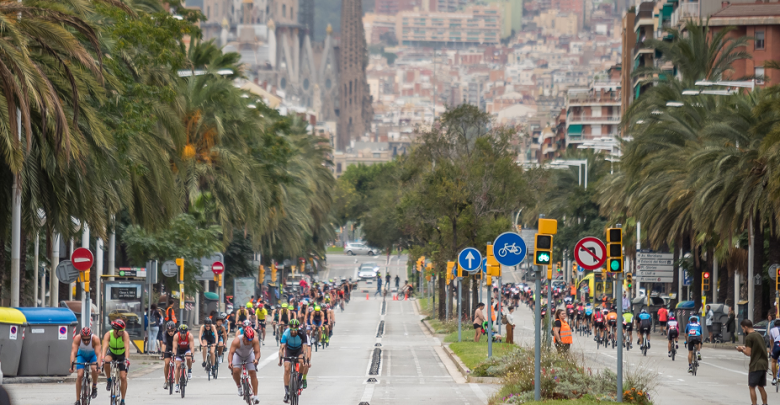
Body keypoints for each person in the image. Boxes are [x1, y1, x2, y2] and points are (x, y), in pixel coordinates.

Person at [737, 319, 769, 405]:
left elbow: (748, 352)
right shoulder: (759, 335)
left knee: (752, 387)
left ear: (746, 327)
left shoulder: (749, 337)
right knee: (761, 386)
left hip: (756, 365)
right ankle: (765, 403)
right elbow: (755, 349)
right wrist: (745, 348)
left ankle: (754, 404)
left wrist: (741, 350)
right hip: (764, 364)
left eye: (743, 329)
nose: (743, 331)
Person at [278, 319, 311, 402]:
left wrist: (306, 359)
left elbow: (305, 348)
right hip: (289, 350)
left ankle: (299, 378)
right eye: (292, 330)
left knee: (302, 362)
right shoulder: (286, 333)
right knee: (287, 369)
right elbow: (282, 347)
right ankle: (286, 392)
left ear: (297, 329)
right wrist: (280, 359)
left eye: (295, 330)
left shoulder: (302, 333)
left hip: (298, 350)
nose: (293, 332)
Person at [229, 325, 261, 404]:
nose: (249, 342)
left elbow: (257, 352)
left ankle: (255, 395)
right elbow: (231, 353)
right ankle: (239, 386)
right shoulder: (237, 341)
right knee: (236, 370)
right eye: (247, 340)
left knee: (253, 373)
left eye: (251, 340)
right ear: (244, 337)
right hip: (238, 355)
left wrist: (256, 359)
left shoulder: (254, 340)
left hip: (249, 355)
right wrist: (230, 362)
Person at [101, 320, 130, 405]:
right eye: (121, 330)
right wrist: (102, 358)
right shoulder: (108, 334)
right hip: (112, 352)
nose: (123, 332)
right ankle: (109, 379)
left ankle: (123, 400)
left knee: (123, 377)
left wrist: (127, 359)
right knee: (106, 361)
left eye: (124, 330)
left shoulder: (125, 335)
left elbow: (127, 347)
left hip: (122, 354)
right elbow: (105, 347)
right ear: (115, 330)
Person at [70, 328, 101, 405]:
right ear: (81, 337)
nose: (86, 341)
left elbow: (99, 354)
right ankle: (77, 400)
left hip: (92, 356)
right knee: (80, 375)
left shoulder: (95, 339)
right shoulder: (77, 338)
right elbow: (73, 353)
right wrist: (72, 366)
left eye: (88, 339)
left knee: (94, 368)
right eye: (84, 340)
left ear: (90, 336)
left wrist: (99, 367)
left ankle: (94, 386)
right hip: (82, 356)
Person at [172, 324, 195, 392]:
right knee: (178, 366)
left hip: (187, 349)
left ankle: (189, 370)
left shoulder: (190, 336)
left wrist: (192, 356)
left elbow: (192, 347)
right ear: (179, 332)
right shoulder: (176, 336)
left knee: (188, 358)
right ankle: (176, 385)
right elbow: (175, 347)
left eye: (185, 332)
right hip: (179, 350)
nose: (183, 334)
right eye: (182, 332)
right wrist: (174, 356)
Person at [160, 321, 177, 389]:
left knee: (177, 362)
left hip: (176, 348)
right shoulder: (165, 334)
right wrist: (163, 353)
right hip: (168, 347)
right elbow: (164, 344)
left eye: (172, 331)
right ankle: (166, 380)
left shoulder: (177, 333)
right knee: (166, 363)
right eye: (169, 331)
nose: (170, 332)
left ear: (175, 329)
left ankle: (177, 377)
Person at [768, 319, 780, 385]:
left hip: (777, 344)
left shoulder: (772, 330)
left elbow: (771, 341)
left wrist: (771, 349)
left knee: (773, 361)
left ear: (774, 325)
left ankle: (774, 378)